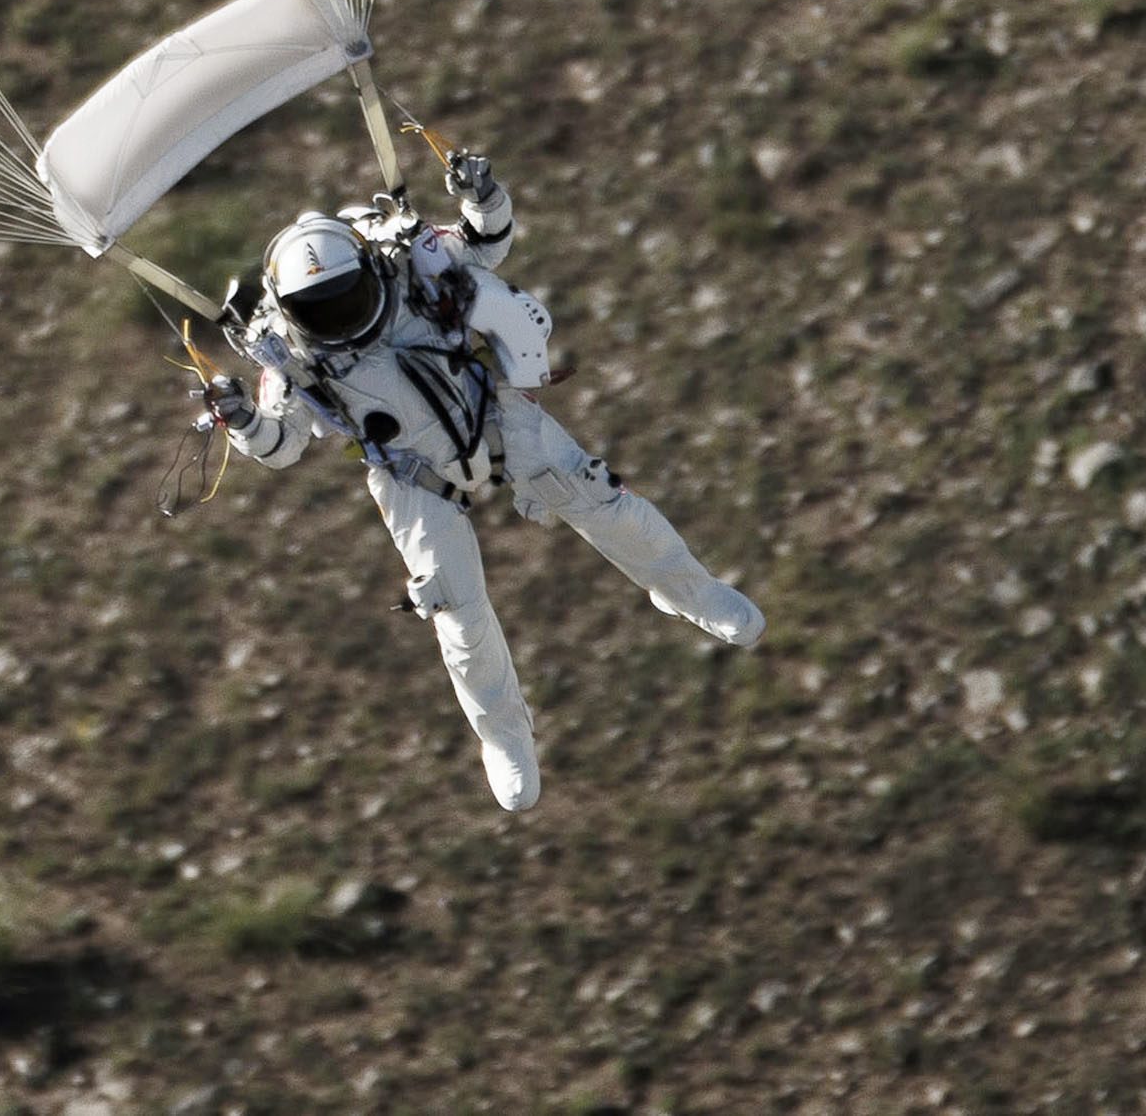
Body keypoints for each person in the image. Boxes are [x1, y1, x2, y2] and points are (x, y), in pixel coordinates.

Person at [199, 150, 761, 811]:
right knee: (456, 613)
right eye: (318, 308)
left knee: (604, 502)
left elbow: (483, 243)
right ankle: (503, 734)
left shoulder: (409, 263)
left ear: (366, 271)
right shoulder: (285, 352)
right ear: (291, 307)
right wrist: (238, 418)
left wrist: (482, 193)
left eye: (343, 295)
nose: (336, 314)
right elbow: (281, 444)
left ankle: (690, 593)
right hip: (409, 471)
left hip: (491, 416)